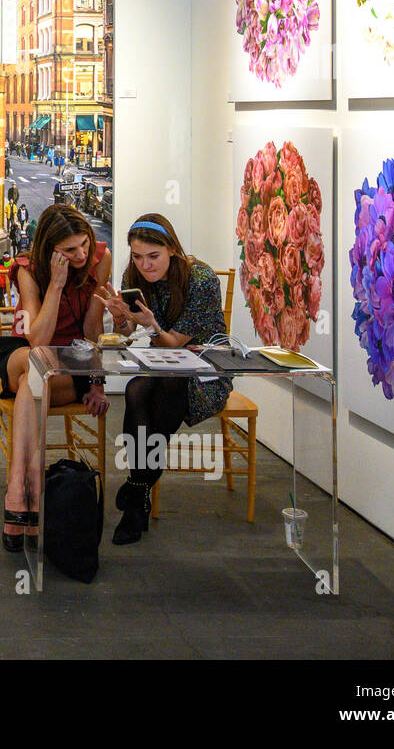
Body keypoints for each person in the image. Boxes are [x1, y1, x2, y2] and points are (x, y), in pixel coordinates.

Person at [98, 213, 232, 546]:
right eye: (138, 256)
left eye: (153, 256)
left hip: (206, 373)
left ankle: (138, 491)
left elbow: (173, 341)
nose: (145, 264)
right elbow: (131, 332)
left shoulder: (200, 279)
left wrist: (153, 326)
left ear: (171, 248)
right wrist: (121, 320)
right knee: (136, 389)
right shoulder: (134, 276)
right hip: (165, 364)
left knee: (168, 387)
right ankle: (140, 488)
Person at [0, 204, 111, 551]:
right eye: (70, 250)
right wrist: (57, 286)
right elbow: (37, 339)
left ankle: (22, 492)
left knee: (35, 381)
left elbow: (92, 328)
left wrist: (96, 382)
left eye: (84, 245)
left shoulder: (98, 261)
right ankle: (26, 486)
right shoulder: (28, 270)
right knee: (33, 365)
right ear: (50, 249)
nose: (81, 255)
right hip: (26, 353)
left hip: (66, 364)